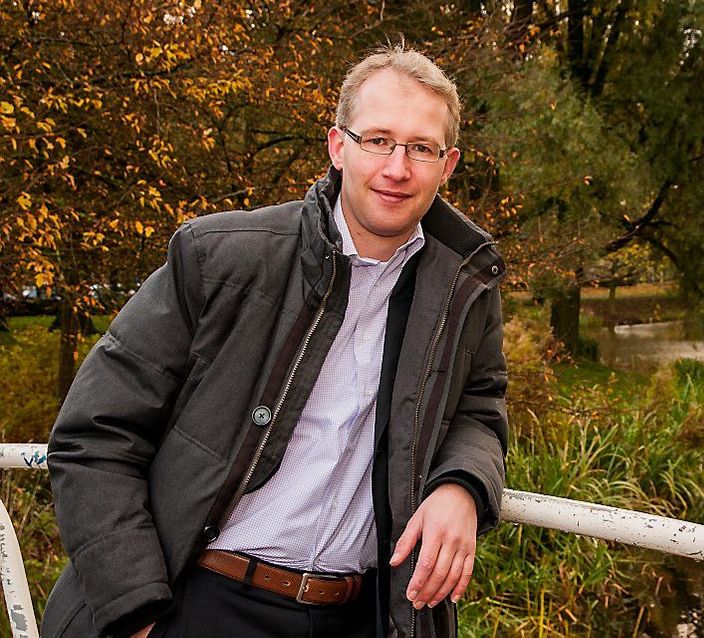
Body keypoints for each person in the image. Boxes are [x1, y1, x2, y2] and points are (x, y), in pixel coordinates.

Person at [42, 45, 508, 638]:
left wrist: (461, 486)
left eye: (421, 148)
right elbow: (94, 435)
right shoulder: (221, 257)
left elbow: (480, 406)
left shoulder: (464, 288)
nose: (398, 167)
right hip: (195, 602)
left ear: (449, 165)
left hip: (358, 614)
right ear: (338, 147)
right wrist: (136, 610)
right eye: (378, 141)